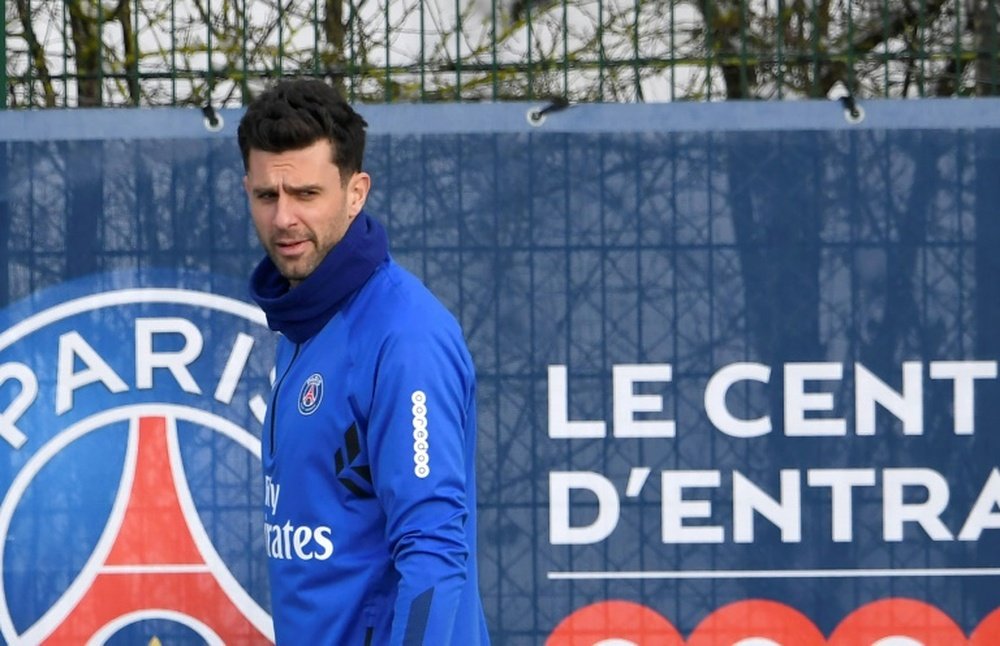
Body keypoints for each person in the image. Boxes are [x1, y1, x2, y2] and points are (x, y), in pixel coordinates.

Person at [238, 78, 490, 645]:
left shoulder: (404, 335)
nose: (283, 219)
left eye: (306, 194)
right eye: (266, 196)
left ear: (356, 193)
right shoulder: (304, 319)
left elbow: (434, 552)